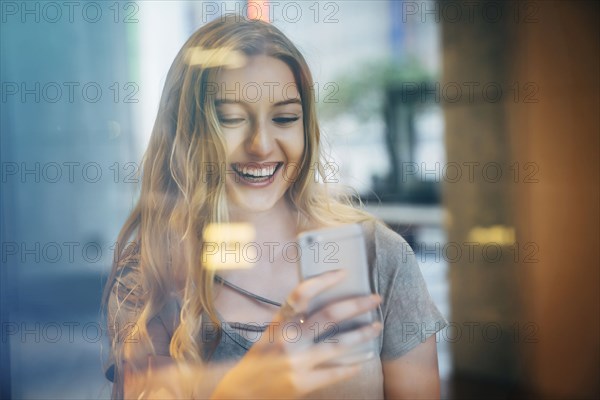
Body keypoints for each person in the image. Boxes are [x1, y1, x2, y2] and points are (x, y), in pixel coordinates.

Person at [102, 14, 447, 399]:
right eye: (230, 119)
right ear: (187, 132)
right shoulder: (151, 269)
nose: (262, 145)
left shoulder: (380, 257)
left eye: (285, 118)